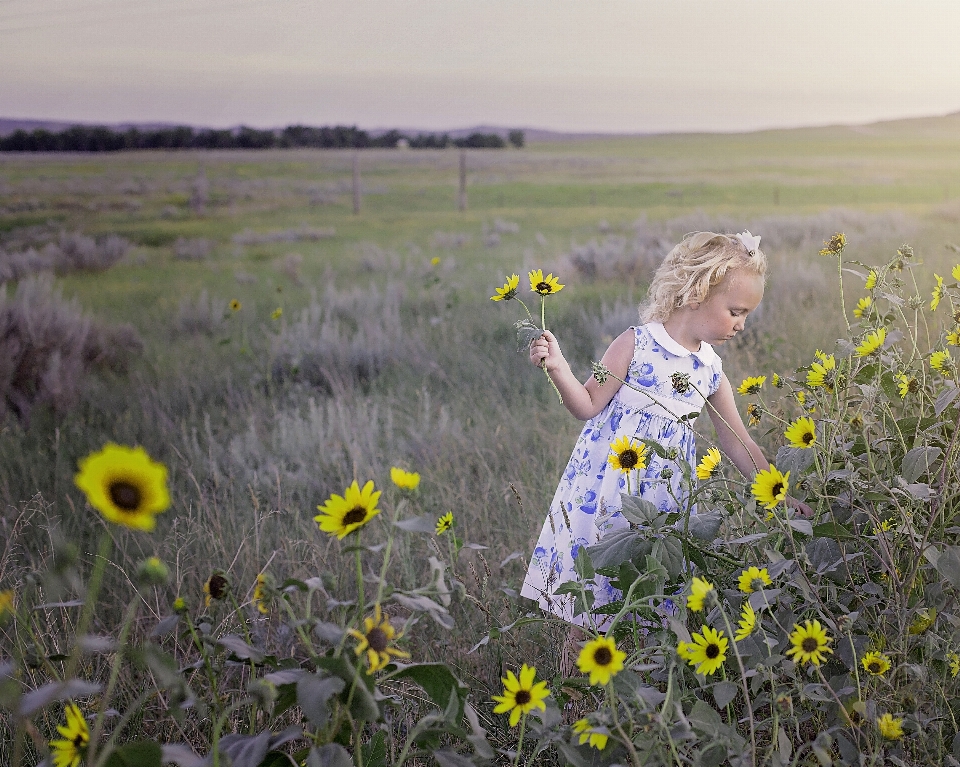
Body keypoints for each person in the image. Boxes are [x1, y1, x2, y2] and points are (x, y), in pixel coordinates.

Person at [520, 231, 785, 648]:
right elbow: (588, 403)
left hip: (664, 504)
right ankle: (573, 695)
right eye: (736, 311)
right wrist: (558, 367)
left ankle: (642, 695)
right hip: (609, 494)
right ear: (697, 292)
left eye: (747, 315)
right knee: (595, 604)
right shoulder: (634, 344)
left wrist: (777, 490)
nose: (741, 325)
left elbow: (737, 441)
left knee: (652, 598)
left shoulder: (710, 371)